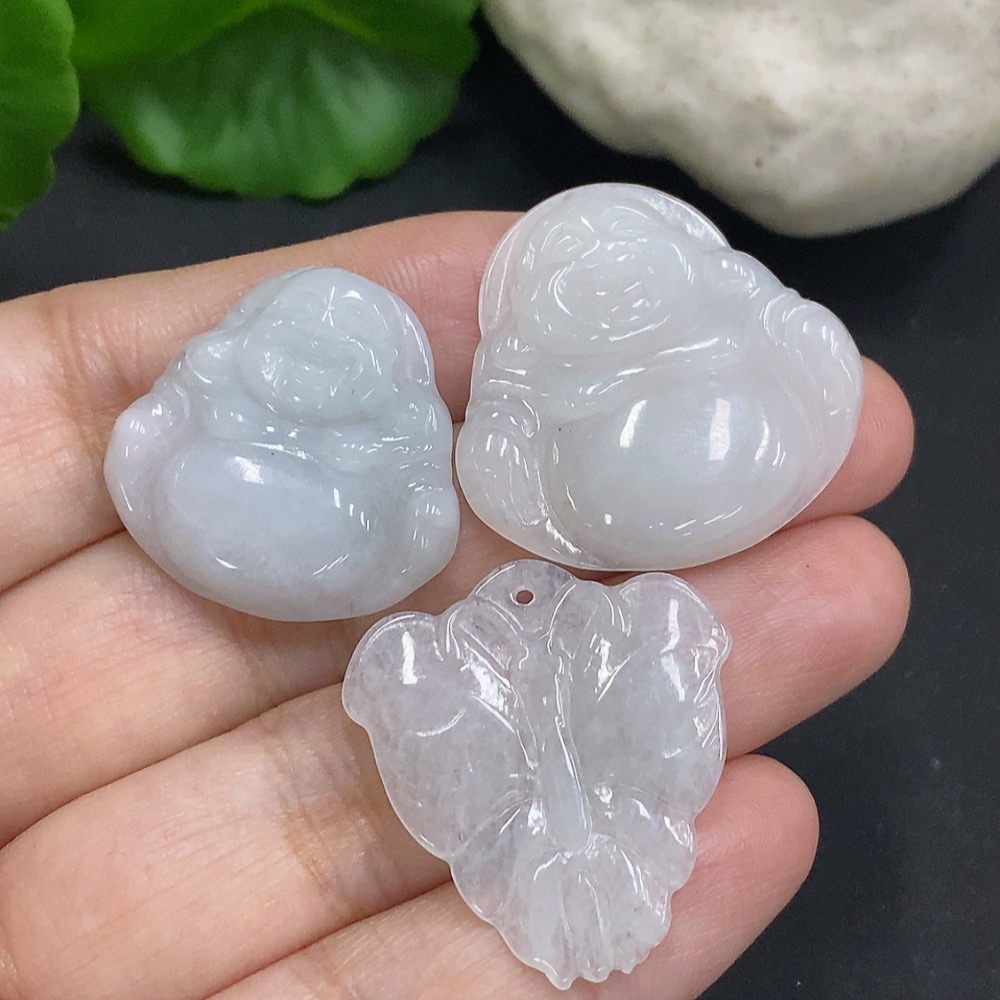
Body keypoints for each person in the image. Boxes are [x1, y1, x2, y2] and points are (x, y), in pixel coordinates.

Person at [0, 213, 913, 999]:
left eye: (344, 356)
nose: (316, 366)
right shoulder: (230, 383)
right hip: (256, 500)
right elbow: (165, 434)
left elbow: (436, 504)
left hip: (674, 451)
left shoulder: (717, 324)